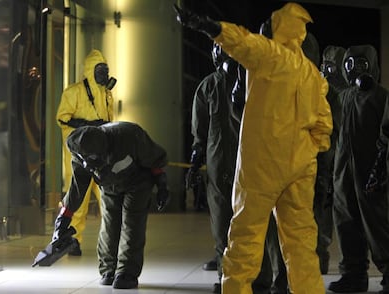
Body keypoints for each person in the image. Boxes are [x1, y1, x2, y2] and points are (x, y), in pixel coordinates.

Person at [175, 2, 333, 294]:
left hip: (262, 164)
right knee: (301, 245)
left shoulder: (270, 56)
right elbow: (324, 127)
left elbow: (241, 42)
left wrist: (209, 26)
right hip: (300, 168)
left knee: (244, 240)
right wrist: (307, 151)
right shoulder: (312, 75)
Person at [186, 42, 286, 294]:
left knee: (254, 225)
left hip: (249, 166)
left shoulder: (255, 82)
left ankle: (260, 280)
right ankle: (228, 278)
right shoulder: (208, 87)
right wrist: (195, 164)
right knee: (223, 225)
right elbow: (199, 135)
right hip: (221, 168)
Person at [50, 121, 169, 289]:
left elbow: (156, 159)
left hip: (138, 182)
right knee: (109, 224)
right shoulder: (79, 149)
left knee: (131, 224)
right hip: (109, 185)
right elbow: (77, 187)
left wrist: (162, 184)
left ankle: (127, 272)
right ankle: (109, 269)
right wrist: (64, 218)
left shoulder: (129, 136)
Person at [329, 44, 389, 294]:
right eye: (350, 64)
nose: (355, 70)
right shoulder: (342, 97)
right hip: (343, 175)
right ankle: (354, 275)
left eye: (362, 64)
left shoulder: (381, 97)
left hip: (371, 173)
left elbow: (387, 134)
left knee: (378, 225)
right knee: (346, 223)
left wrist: (380, 167)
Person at [56, 49, 116, 255]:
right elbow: (62, 118)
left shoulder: (107, 94)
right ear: (91, 71)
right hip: (79, 153)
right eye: (100, 70)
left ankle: (112, 239)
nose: (104, 74)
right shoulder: (73, 92)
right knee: (77, 197)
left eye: (105, 69)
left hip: (102, 153)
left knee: (108, 196)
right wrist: (85, 125)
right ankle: (72, 240)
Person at [315, 45, 347, 274]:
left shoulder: (343, 94)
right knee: (321, 213)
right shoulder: (321, 91)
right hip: (326, 162)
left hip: (338, 163)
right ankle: (320, 258)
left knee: (344, 217)